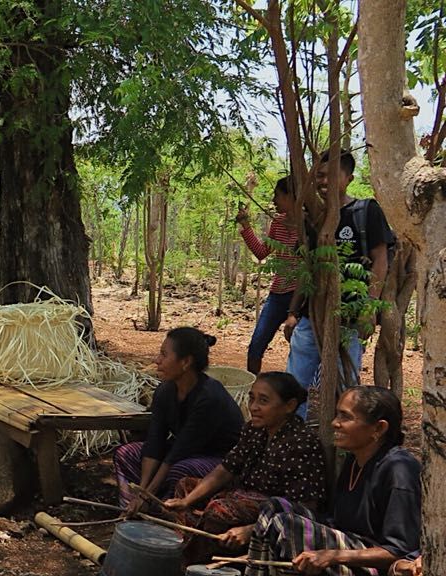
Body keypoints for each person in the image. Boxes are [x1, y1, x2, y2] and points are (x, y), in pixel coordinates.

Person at [242, 385, 421, 576]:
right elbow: (336, 522)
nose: (335, 423)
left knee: (288, 525)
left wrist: (332, 555)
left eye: (345, 417)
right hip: (348, 546)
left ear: (378, 429)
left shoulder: (399, 470)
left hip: (376, 570)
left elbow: (398, 551)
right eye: (337, 414)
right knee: (274, 506)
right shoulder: (354, 460)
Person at [162, 372, 326, 563]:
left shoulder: (303, 443)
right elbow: (225, 470)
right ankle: (182, 546)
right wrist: (187, 501)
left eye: (263, 401)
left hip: (274, 513)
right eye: (252, 398)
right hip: (241, 496)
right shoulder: (255, 430)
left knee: (219, 509)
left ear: (289, 406)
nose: (254, 407)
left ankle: (190, 560)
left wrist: (252, 529)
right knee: (185, 485)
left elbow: (306, 508)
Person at [283, 149, 393, 417]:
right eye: (318, 176)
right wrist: (293, 313)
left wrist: (369, 307)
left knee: (345, 389)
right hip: (312, 318)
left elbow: (380, 259)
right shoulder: (312, 218)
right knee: (295, 385)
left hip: (350, 320)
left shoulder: (365, 211)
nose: (323, 182)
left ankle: (340, 446)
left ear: (349, 178)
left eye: (330, 176)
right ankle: (291, 440)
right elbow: (306, 268)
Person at [115, 327, 244, 508]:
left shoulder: (209, 397)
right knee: (126, 453)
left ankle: (161, 514)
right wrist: (142, 490)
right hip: (184, 453)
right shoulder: (165, 390)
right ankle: (130, 509)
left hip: (221, 462)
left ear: (185, 362)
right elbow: (155, 440)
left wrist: (147, 495)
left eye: (164, 355)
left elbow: (179, 451)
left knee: (180, 470)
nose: (157, 360)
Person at [236, 176, 301, 374]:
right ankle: (252, 389)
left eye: (278, 196)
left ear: (292, 197)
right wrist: (246, 226)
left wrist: (295, 312)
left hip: (302, 297)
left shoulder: (311, 225)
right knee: (256, 345)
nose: (274, 200)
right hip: (278, 294)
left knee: (300, 349)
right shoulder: (278, 223)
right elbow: (262, 252)